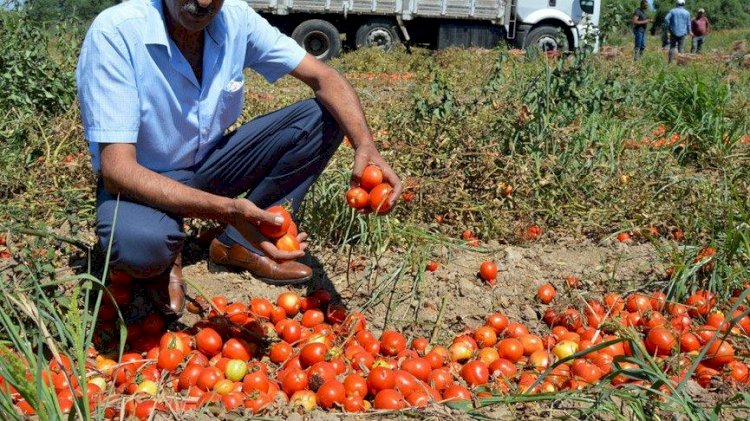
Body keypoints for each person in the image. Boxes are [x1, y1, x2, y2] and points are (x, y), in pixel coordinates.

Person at [76, 0, 403, 316]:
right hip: (143, 179)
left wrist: (365, 146)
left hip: (211, 165)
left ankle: (239, 244)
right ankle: (166, 255)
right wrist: (229, 211)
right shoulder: (118, 32)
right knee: (140, 248)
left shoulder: (235, 19)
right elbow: (117, 170)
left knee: (327, 116)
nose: (203, 2)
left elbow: (326, 78)